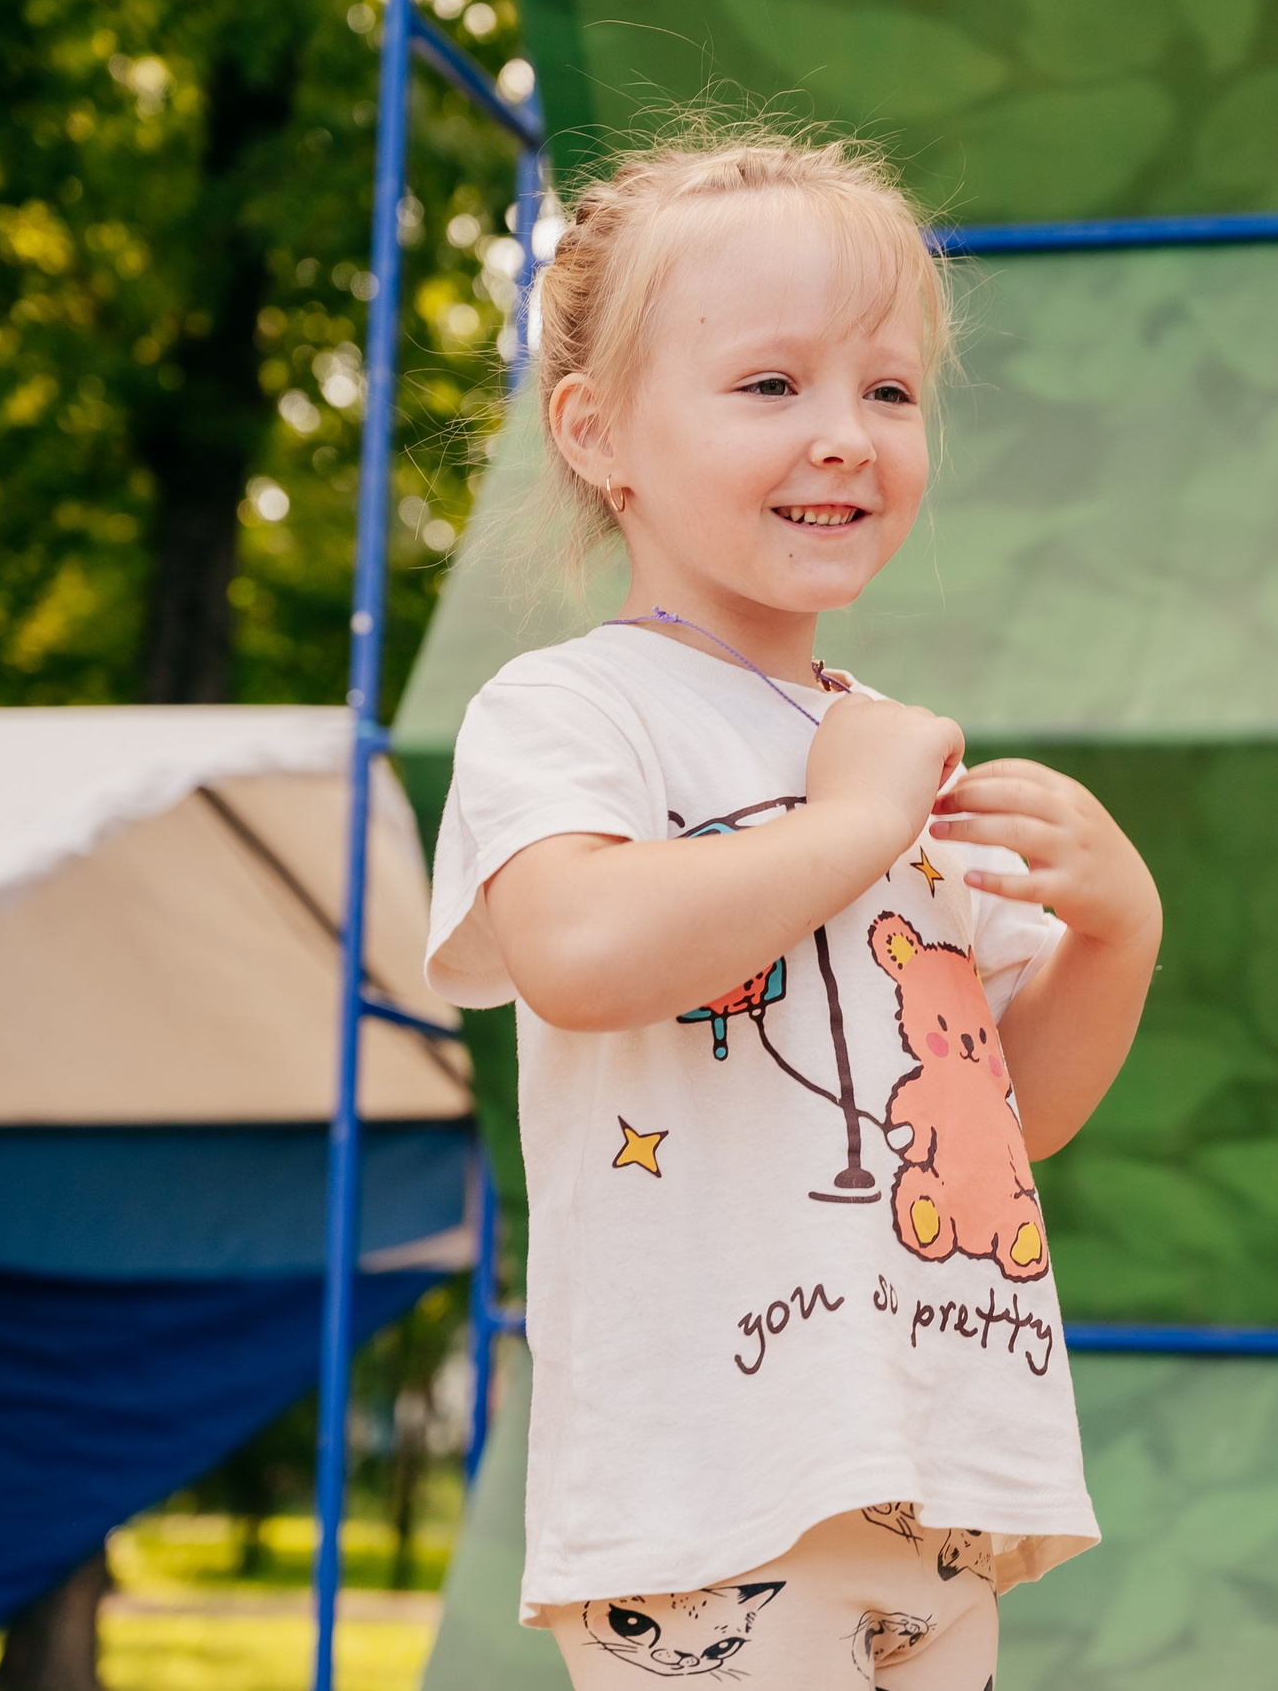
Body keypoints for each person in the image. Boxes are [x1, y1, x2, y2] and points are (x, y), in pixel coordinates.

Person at [423, 133, 1162, 1689]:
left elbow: (990, 1124)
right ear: (598, 430)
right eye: (772, 387)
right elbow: (577, 950)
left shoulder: (892, 747)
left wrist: (1117, 937)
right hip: (712, 1492)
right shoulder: (570, 711)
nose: (845, 437)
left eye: (886, 392)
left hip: (939, 1464)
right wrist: (851, 823)